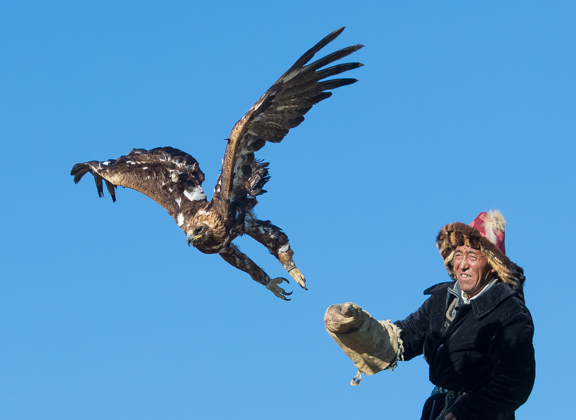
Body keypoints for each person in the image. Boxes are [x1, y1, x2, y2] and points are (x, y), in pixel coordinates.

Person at [324, 210, 535, 420]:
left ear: (491, 263)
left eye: (472, 256)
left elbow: (515, 382)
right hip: (437, 411)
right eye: (459, 254)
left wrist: (468, 411)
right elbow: (405, 337)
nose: (463, 264)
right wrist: (358, 327)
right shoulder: (443, 299)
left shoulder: (509, 311)